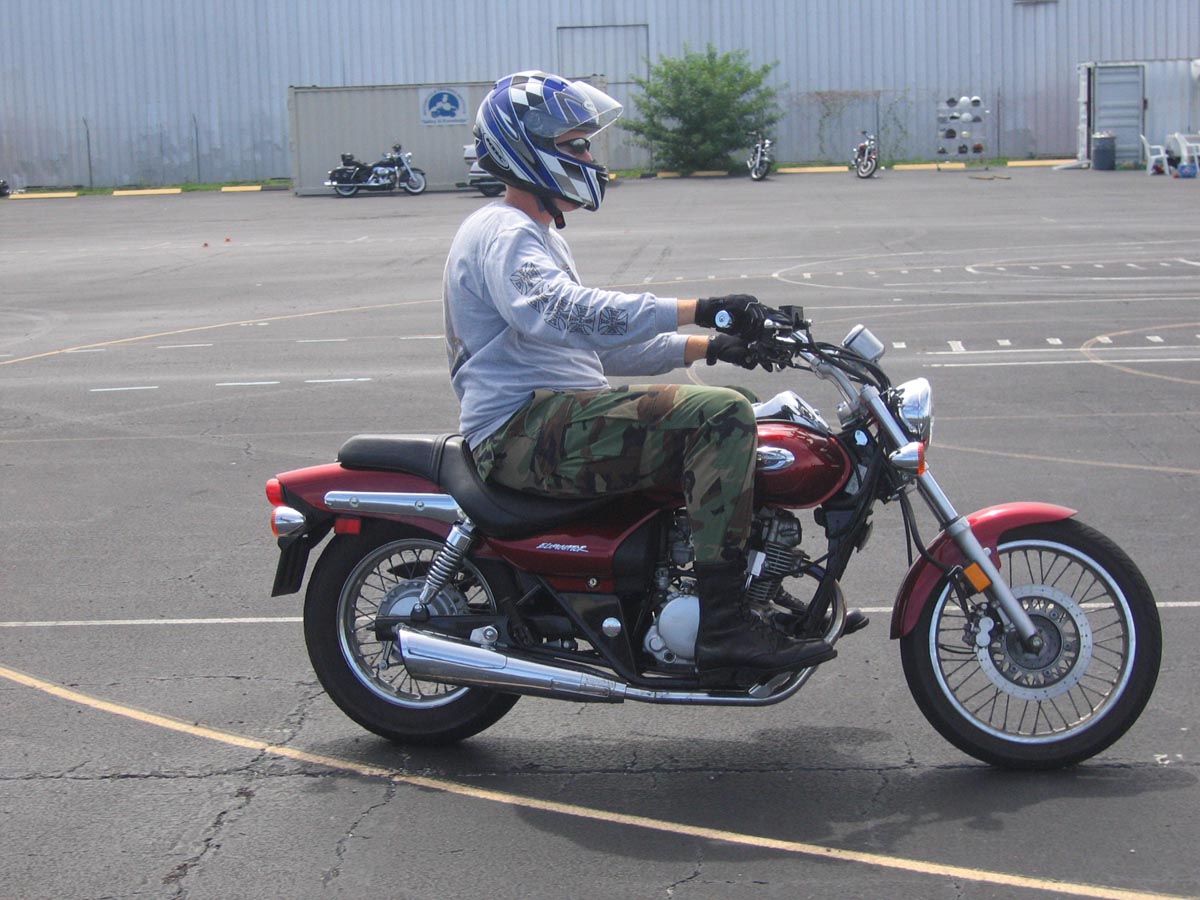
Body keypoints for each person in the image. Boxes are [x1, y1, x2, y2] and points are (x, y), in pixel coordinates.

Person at [442, 71, 835, 678]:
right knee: (720, 416)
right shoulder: (504, 230)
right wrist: (701, 308)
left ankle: (741, 587)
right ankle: (724, 627)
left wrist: (713, 346)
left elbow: (591, 349)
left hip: (551, 417)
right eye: (575, 145)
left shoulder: (532, 234)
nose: (588, 158)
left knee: (738, 402)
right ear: (528, 147)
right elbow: (568, 313)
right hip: (521, 431)